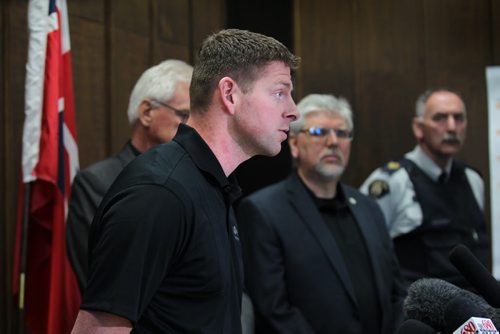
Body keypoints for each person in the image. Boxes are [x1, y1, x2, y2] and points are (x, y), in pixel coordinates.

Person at [71, 28, 300, 333]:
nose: (293, 111)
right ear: (230, 94)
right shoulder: (159, 191)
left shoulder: (216, 186)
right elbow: (98, 329)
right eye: (279, 92)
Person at [237, 94, 405, 334]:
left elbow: (396, 291)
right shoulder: (263, 211)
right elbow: (274, 309)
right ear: (294, 144)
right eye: (319, 133)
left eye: (342, 133)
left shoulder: (369, 208)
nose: (333, 142)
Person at [66, 59, 193, 292]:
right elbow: (107, 282)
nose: (193, 127)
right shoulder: (97, 183)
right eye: (185, 115)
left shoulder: (199, 182)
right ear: (146, 113)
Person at [360, 88, 489, 290]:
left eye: (459, 118)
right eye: (440, 118)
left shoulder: (472, 179)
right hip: (421, 314)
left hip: (473, 311)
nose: (452, 127)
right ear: (419, 127)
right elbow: (364, 250)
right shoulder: (393, 181)